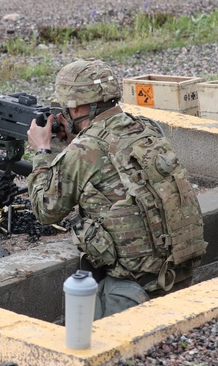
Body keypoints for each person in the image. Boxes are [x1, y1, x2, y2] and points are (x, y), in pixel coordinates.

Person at [27, 59, 206, 319]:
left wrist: (42, 151)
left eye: (66, 108)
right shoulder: (147, 128)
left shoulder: (84, 151)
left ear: (78, 107)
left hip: (132, 285)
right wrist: (77, 141)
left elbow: (45, 210)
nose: (64, 113)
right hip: (177, 269)